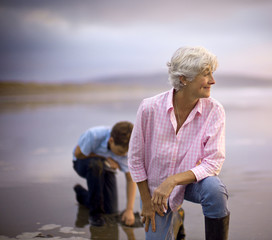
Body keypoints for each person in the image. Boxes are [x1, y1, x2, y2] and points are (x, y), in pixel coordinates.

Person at [128, 46, 230, 239]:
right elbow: (135, 159)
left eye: (212, 73)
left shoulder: (215, 110)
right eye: (206, 74)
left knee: (215, 190)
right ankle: (175, 217)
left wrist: (173, 180)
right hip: (155, 192)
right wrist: (146, 202)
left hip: (189, 183)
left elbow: (214, 162)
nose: (213, 81)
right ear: (183, 79)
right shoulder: (149, 108)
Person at [73, 121, 137, 227]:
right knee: (97, 165)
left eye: (126, 152)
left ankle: (81, 195)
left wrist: (129, 209)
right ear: (111, 140)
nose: (124, 155)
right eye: (121, 152)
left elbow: (130, 179)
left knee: (110, 210)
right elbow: (78, 154)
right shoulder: (93, 135)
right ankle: (95, 214)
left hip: (106, 168)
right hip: (82, 163)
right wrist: (104, 158)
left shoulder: (127, 149)